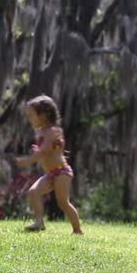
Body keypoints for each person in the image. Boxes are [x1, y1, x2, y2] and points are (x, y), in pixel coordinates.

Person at [15, 95, 83, 235]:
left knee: (63, 202)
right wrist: (37, 152)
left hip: (62, 172)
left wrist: (29, 160)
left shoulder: (54, 131)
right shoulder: (41, 132)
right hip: (51, 173)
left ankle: (77, 230)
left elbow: (45, 151)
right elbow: (45, 151)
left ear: (44, 115)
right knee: (33, 192)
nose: (29, 119)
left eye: (31, 115)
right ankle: (39, 223)